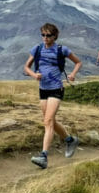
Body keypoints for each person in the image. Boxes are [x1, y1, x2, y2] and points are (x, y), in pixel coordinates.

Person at [23, 22, 82, 168]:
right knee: (50, 121)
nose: (45, 38)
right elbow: (26, 67)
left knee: (48, 121)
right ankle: (70, 140)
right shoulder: (37, 49)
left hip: (56, 88)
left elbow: (78, 62)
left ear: (55, 36)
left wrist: (73, 74)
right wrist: (33, 75)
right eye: (43, 35)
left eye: (48, 35)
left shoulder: (62, 50)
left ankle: (44, 156)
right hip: (43, 89)